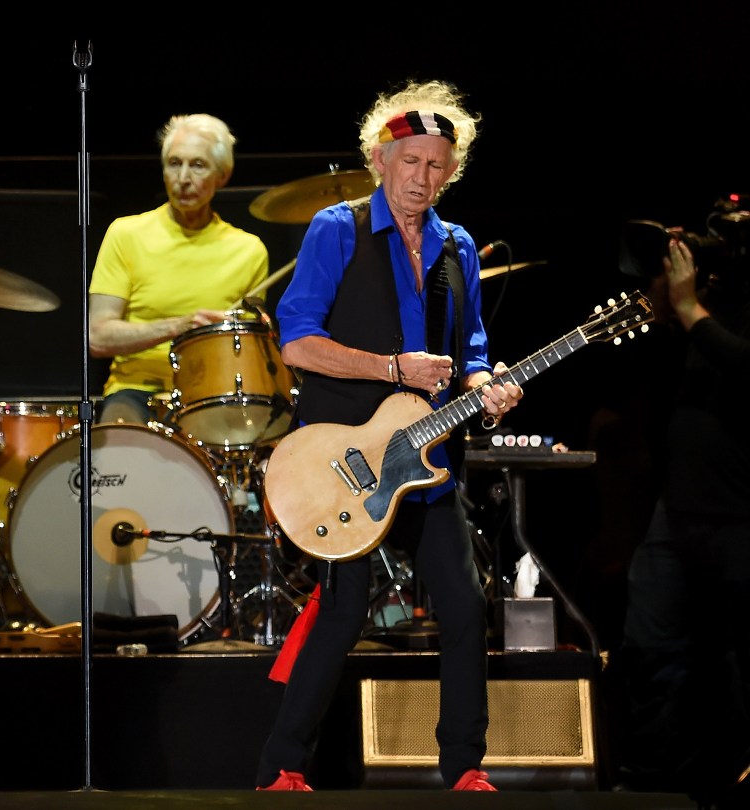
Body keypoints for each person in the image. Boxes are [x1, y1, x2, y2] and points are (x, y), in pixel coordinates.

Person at [254, 79, 521, 792]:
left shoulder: (457, 246)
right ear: (379, 159)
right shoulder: (337, 228)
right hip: (344, 458)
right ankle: (282, 767)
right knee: (342, 614)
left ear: (450, 171)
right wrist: (392, 367)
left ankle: (464, 768)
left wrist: (487, 385)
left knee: (464, 608)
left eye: (436, 165)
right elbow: (297, 343)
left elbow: (469, 350)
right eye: (410, 162)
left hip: (426, 459)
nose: (421, 178)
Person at [615, 228, 749, 807]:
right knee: (650, 645)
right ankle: (647, 780)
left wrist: (691, 307)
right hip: (678, 511)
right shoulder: (701, 308)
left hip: (740, 513)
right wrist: (667, 305)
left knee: (734, 659)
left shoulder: (717, 313)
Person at [88, 113, 270, 426]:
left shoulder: (249, 250)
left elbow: (245, 349)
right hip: (136, 389)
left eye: (198, 165)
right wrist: (179, 326)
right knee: (120, 447)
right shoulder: (125, 234)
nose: (183, 177)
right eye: (174, 163)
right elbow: (98, 337)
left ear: (222, 175)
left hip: (214, 392)